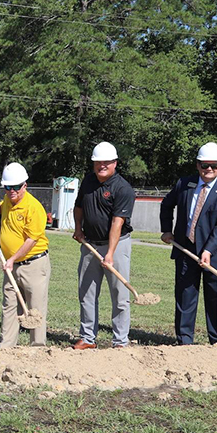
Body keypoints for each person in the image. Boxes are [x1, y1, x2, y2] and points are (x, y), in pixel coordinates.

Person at [159, 142, 217, 345]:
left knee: (215, 299)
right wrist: (167, 229)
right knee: (185, 297)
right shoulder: (184, 184)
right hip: (186, 250)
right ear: (197, 165)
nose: (209, 169)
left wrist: (209, 250)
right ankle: (185, 341)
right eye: (205, 165)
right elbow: (167, 205)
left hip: (216, 255)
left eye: (213, 165)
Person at [72, 141, 136, 349]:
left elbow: (118, 222)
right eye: (98, 162)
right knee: (87, 293)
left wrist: (110, 253)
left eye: (106, 162)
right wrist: (78, 228)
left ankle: (120, 341)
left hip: (117, 247)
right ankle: (88, 338)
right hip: (90, 244)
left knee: (119, 295)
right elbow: (79, 206)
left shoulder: (123, 188)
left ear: (115, 163)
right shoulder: (88, 181)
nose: (102, 165)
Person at [0, 163, 49, 348]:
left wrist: (11, 259)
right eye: (7, 187)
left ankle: (37, 347)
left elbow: (31, 240)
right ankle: (7, 345)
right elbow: (2, 205)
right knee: (9, 305)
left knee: (35, 308)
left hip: (33, 264)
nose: (11, 191)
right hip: (11, 265)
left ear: (24, 185)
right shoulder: (8, 199)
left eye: (16, 187)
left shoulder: (34, 208)